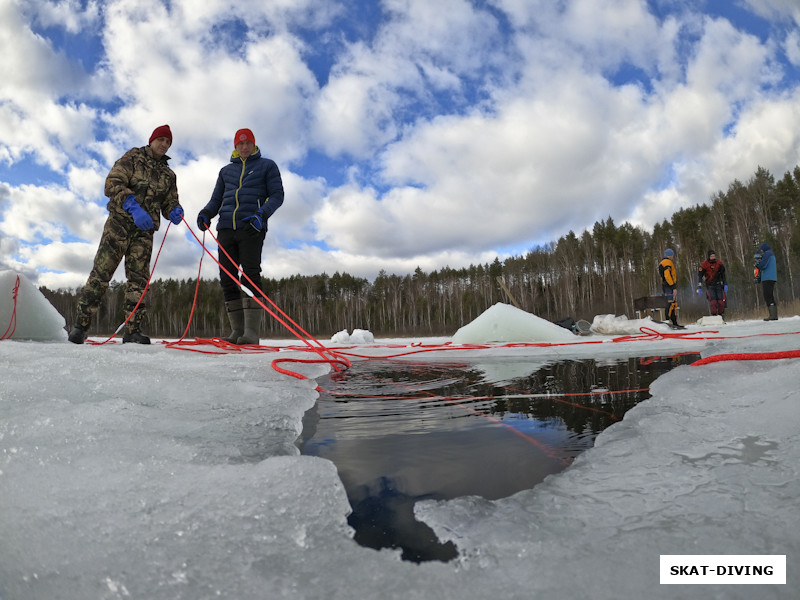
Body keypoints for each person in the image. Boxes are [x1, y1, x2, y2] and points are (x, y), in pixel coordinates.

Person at [68, 125, 184, 344]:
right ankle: (80, 327)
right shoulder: (133, 157)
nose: (164, 144)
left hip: (144, 231)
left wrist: (174, 211)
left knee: (138, 281)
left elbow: (170, 201)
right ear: (152, 140)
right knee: (101, 274)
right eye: (160, 139)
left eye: (168, 142)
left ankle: (132, 330)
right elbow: (112, 182)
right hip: (119, 224)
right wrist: (131, 204)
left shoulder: (169, 175)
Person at [197, 128, 284, 344]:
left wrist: (261, 215)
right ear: (235, 146)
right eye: (240, 144)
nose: (244, 147)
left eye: (248, 143)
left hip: (251, 227)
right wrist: (206, 213)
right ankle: (236, 332)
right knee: (227, 279)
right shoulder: (226, 171)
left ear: (254, 145)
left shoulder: (267, 166)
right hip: (225, 229)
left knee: (250, 276)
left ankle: (251, 333)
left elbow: (277, 195)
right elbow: (216, 200)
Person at [696, 249, 727, 317]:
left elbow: (723, 274)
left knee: (721, 302)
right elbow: (700, 276)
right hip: (710, 285)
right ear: (709, 257)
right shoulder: (704, 265)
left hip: (719, 285)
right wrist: (699, 286)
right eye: (711, 256)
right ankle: (714, 315)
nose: (713, 257)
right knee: (713, 302)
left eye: (714, 256)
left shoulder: (719, 263)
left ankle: (721, 315)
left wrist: (725, 284)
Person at [658, 248, 683, 328]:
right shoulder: (667, 262)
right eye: (672, 255)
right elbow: (667, 275)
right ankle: (668, 322)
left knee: (672, 304)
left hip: (666, 285)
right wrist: (673, 287)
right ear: (670, 255)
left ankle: (674, 322)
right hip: (669, 286)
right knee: (670, 304)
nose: (673, 257)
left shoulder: (662, 262)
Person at [755, 242, 778, 321]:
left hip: (767, 277)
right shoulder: (771, 254)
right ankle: (774, 315)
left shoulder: (767, 254)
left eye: (762, 250)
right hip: (772, 277)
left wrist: (757, 263)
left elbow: (763, 265)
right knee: (770, 295)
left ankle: (772, 315)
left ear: (764, 249)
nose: (761, 251)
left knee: (767, 295)